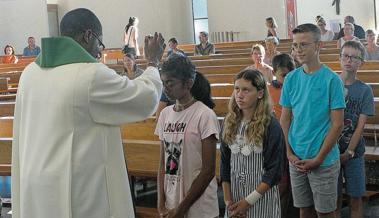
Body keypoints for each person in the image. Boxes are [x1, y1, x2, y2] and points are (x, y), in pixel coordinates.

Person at [11, 8, 165, 218]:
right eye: (99, 43)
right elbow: (144, 98)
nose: (99, 52)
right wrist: (154, 62)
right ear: (88, 35)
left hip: (35, 186)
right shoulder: (90, 75)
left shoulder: (29, 74)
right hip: (77, 193)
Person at [280, 23, 345, 218]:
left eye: (304, 44)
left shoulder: (332, 80)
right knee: (304, 209)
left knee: (325, 212)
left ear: (318, 46)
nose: (298, 50)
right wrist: (288, 151)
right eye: (295, 45)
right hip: (297, 158)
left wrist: (318, 158)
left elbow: (337, 124)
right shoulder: (291, 78)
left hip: (323, 160)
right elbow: (285, 118)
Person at [155, 54, 220, 218]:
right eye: (163, 83)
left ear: (189, 83)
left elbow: (208, 170)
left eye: (170, 83)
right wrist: (161, 203)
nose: (165, 88)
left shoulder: (204, 115)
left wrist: (182, 208)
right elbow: (163, 164)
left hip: (199, 207)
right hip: (172, 202)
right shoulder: (165, 115)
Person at [220, 69, 284, 218]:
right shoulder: (229, 122)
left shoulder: (270, 125)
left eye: (246, 90)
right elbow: (224, 164)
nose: (239, 95)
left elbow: (274, 170)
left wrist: (248, 202)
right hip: (235, 199)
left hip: (260, 198)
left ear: (260, 93)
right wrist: (228, 201)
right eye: (237, 89)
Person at [336, 41, 375, 218]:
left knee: (356, 198)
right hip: (329, 152)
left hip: (354, 153)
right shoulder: (331, 83)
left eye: (354, 57)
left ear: (361, 62)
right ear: (340, 58)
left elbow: (360, 125)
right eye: (345, 56)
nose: (348, 60)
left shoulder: (364, 90)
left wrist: (349, 152)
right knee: (332, 200)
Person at [268, 53, 297, 218]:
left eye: (290, 74)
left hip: (296, 138)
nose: (287, 78)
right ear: (275, 73)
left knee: (295, 183)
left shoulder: (297, 86)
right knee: (281, 182)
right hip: (278, 140)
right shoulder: (269, 89)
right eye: (283, 75)